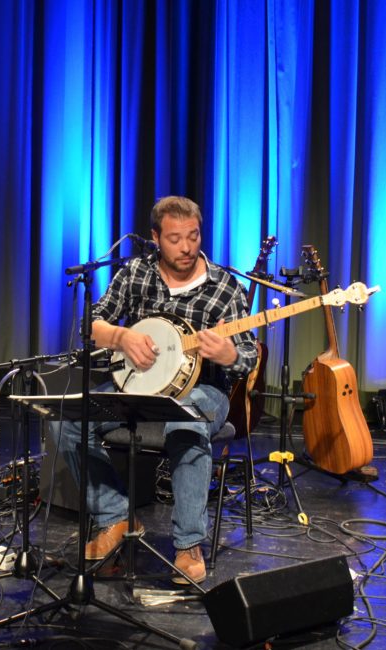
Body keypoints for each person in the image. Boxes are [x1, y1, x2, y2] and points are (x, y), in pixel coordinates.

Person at [54, 196, 258, 583]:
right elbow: (91, 323)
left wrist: (230, 352)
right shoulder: (136, 273)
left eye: (194, 236)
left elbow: (248, 356)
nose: (186, 247)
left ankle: (188, 545)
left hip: (205, 391)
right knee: (66, 420)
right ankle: (116, 518)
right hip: (138, 388)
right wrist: (121, 337)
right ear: (155, 238)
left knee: (188, 425)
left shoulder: (225, 287)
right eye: (175, 238)